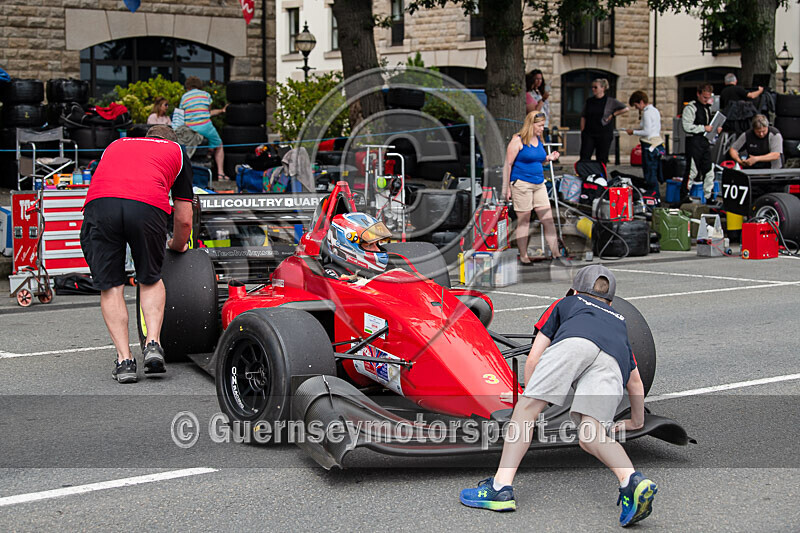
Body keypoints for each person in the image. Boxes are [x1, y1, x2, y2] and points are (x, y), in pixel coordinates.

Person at [459, 265, 657, 527]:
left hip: (574, 343)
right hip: (612, 360)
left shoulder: (567, 303)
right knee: (591, 434)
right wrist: (636, 422)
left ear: (574, 290)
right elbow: (635, 383)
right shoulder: (618, 321)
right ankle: (631, 480)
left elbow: (535, 355)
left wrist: (531, 397)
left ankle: (500, 488)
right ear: (610, 300)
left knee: (526, 411)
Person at [80, 125, 194, 384]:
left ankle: (124, 361)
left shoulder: (117, 144)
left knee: (111, 286)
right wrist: (177, 245)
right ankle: (153, 344)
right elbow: (184, 219)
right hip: (145, 206)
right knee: (150, 278)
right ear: (171, 140)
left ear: (147, 138)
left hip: (100, 205)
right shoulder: (176, 152)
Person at [502, 111, 567, 266]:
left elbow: (538, 159)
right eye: (540, 125)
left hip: (539, 183)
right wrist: (506, 188)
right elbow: (508, 164)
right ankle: (523, 256)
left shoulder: (538, 139)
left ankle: (556, 254)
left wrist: (549, 158)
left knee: (548, 219)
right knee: (524, 220)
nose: (542, 128)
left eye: (543, 125)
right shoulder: (517, 140)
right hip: (521, 184)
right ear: (531, 125)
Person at [179, 76, 228, 180]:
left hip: (190, 128)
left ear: (187, 87)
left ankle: (209, 153)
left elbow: (181, 112)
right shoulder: (206, 95)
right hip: (205, 126)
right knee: (219, 145)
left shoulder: (184, 97)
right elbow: (208, 112)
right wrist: (221, 110)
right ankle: (220, 173)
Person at [680, 84, 722, 204]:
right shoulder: (691, 107)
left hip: (704, 142)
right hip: (694, 141)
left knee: (709, 169)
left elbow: (709, 126)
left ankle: (709, 197)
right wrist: (704, 128)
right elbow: (687, 126)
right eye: (704, 97)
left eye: (708, 97)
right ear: (698, 94)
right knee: (692, 170)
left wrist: (715, 129)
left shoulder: (707, 108)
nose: (706, 100)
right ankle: (684, 195)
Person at [580, 79, 628, 165]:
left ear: (603, 88)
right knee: (584, 156)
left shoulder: (610, 101)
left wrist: (613, 114)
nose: (593, 89)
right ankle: (584, 175)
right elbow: (583, 116)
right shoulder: (589, 101)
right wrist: (583, 130)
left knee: (602, 158)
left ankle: (601, 176)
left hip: (604, 133)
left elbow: (625, 108)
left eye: (595, 87)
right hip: (589, 133)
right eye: (592, 87)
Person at [626, 91, 664, 198]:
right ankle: (655, 196)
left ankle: (653, 197)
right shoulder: (654, 110)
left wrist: (633, 132)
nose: (636, 108)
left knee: (649, 173)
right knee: (655, 172)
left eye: (636, 105)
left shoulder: (647, 113)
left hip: (649, 145)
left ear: (641, 102)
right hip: (658, 144)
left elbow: (647, 132)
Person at [525, 69, 551, 141]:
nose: (539, 81)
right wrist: (542, 100)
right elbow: (534, 112)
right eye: (537, 79)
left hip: (545, 124)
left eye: (540, 79)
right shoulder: (529, 94)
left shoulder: (539, 92)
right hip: (537, 125)